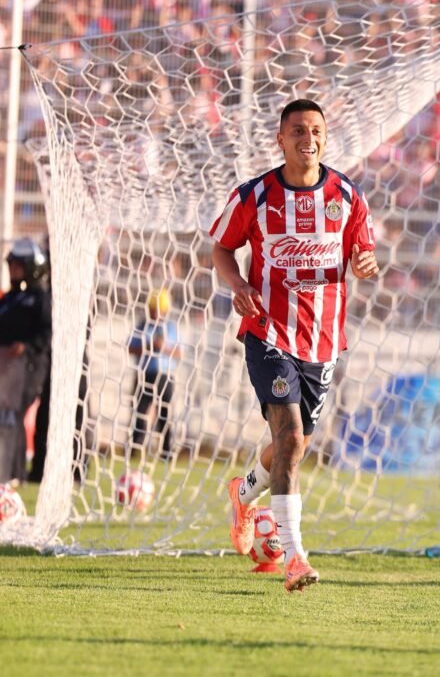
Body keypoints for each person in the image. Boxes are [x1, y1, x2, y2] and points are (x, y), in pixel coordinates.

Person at [210, 98, 379, 593]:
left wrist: (366, 263)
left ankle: (243, 495)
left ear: (325, 137)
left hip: (323, 343)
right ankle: (295, 557)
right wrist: (238, 285)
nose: (308, 138)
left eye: (316, 130)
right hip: (268, 332)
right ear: (280, 139)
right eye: (298, 130)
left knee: (296, 444)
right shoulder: (255, 196)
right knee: (286, 435)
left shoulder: (347, 196)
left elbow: (362, 251)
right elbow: (220, 247)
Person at [0, 238, 52, 485]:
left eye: (17, 266)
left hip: (29, 369)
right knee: (7, 416)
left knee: (15, 414)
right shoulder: (10, 300)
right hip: (6, 371)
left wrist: (26, 347)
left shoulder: (41, 299)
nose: (12, 271)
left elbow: (47, 333)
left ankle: (15, 473)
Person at [127, 289, 179, 462]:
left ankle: (166, 452)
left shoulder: (170, 327)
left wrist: (164, 347)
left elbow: (179, 352)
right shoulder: (142, 326)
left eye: (158, 309)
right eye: (152, 309)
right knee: (140, 412)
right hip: (144, 375)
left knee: (165, 414)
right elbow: (130, 347)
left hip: (165, 376)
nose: (155, 313)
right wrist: (149, 346)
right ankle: (135, 448)